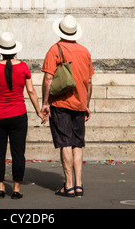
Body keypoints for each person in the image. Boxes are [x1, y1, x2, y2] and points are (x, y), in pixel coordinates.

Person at [0, 31, 45, 199]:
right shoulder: (24, 67)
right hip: (19, 115)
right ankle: (17, 188)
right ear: (15, 50)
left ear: (0, 50)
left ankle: (1, 187)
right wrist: (39, 111)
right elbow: (31, 90)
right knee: (18, 153)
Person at [41, 15, 94, 197]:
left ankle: (69, 186)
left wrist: (45, 102)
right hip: (80, 103)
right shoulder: (85, 51)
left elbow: (48, 78)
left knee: (65, 142)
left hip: (61, 103)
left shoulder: (54, 50)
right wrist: (86, 104)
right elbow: (89, 80)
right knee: (77, 144)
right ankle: (79, 185)